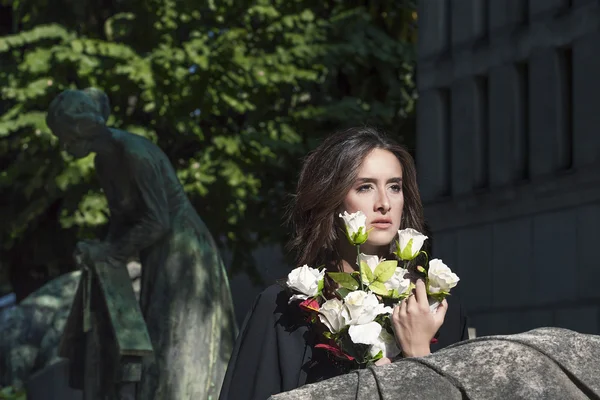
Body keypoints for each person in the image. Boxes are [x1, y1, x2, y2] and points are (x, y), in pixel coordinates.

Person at [219, 127, 469, 400]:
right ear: (332, 198)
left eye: (395, 187)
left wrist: (419, 355)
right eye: (365, 187)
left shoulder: (438, 310)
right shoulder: (283, 311)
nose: (384, 203)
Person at [45, 88, 237, 399]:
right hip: (156, 252)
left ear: (81, 127)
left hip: (185, 251)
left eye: (64, 136)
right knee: (160, 337)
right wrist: (102, 249)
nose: (63, 145)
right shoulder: (104, 164)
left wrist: (112, 251)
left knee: (181, 338)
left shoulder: (134, 151)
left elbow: (157, 219)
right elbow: (122, 221)